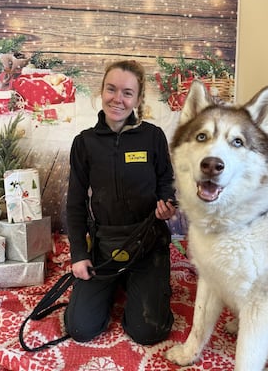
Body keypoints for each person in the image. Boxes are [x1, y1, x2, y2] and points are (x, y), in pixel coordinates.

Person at [65, 59, 177, 345]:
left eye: (128, 92)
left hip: (147, 243)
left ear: (138, 99)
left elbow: (167, 181)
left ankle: (137, 281)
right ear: (101, 91)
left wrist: (167, 203)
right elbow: (76, 203)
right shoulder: (84, 143)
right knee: (80, 328)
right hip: (105, 246)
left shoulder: (153, 137)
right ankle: (115, 282)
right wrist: (79, 255)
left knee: (148, 332)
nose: (118, 99)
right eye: (111, 89)